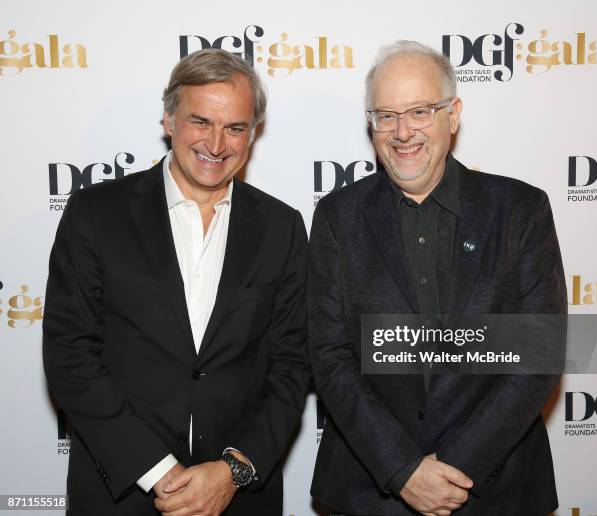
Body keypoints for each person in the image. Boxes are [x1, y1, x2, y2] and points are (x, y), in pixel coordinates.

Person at [43, 48, 309, 516]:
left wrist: (232, 471)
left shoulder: (281, 227)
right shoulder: (96, 215)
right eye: (200, 121)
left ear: (254, 132)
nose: (216, 143)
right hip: (121, 492)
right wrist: (157, 471)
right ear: (169, 120)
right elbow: (69, 354)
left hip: (238, 498)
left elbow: (291, 365)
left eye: (235, 127)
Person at [308, 41, 566, 515]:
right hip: (371, 489)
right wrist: (402, 470)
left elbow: (538, 357)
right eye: (385, 115)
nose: (402, 131)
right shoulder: (336, 217)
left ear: (453, 115)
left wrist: (451, 469)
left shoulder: (521, 210)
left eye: (420, 111)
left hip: (495, 487)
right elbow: (330, 357)